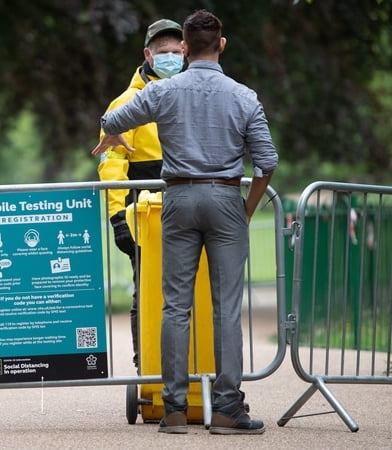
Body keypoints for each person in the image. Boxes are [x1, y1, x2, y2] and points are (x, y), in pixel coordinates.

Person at [92, 10, 279, 435]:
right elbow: (267, 161)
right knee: (226, 310)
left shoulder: (165, 91)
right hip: (226, 197)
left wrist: (111, 135)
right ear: (222, 45)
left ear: (186, 49)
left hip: (175, 197)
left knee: (174, 306)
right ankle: (229, 407)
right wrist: (246, 209)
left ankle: (173, 408)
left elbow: (111, 120)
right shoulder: (244, 96)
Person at [97, 18, 185, 369]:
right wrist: (118, 216)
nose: (170, 57)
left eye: (176, 51)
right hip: (145, 216)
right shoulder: (125, 104)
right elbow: (111, 163)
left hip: (187, 207)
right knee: (146, 292)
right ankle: (145, 365)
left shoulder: (195, 94)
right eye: (163, 52)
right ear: (148, 55)